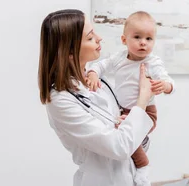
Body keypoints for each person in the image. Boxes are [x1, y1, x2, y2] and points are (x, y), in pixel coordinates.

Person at [38, 9, 156, 186]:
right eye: (90, 37)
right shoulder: (60, 100)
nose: (99, 38)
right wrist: (142, 100)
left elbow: (131, 140)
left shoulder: (99, 81)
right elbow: (120, 147)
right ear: (70, 51)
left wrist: (131, 125)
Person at [85, 11, 175, 185]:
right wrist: (93, 73)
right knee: (123, 136)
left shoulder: (152, 62)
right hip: (123, 110)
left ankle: (143, 166)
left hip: (147, 112)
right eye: (137, 37)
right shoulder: (119, 58)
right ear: (124, 40)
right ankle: (137, 160)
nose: (143, 42)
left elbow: (167, 80)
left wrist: (165, 86)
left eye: (149, 39)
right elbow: (101, 65)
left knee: (127, 133)